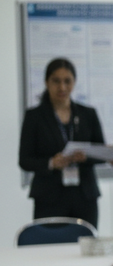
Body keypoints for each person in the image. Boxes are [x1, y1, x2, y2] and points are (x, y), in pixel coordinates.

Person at [18, 58, 105, 225]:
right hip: (49, 196)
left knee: (86, 243)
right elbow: (24, 160)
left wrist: (85, 156)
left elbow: (101, 152)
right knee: (50, 246)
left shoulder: (88, 114)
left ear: (74, 82)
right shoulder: (34, 117)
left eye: (67, 81)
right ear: (46, 82)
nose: (62, 87)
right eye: (56, 81)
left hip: (84, 195)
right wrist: (51, 163)